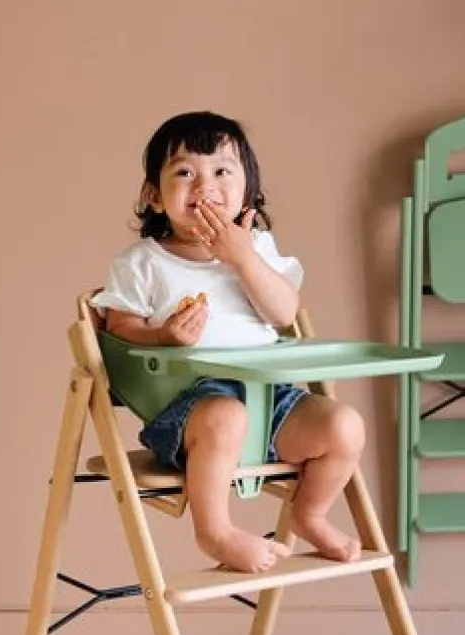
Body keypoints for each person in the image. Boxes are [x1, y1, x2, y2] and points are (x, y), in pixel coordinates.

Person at [91, 111, 365, 573]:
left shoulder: (258, 250)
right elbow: (118, 332)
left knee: (344, 426)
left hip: (270, 399)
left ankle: (310, 514)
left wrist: (243, 260)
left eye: (222, 171)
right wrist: (161, 336)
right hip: (189, 411)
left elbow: (284, 313)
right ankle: (215, 531)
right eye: (184, 173)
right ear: (153, 196)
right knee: (225, 415)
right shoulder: (143, 263)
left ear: (248, 193)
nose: (205, 186)